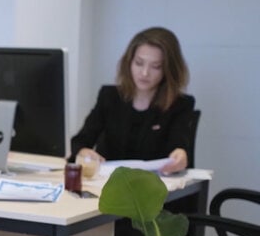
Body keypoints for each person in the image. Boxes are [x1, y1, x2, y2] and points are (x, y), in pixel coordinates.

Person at [70, 26, 196, 175]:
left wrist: (180, 156)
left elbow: (180, 148)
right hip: (108, 183)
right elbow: (80, 141)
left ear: (169, 70)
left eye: (156, 67)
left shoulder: (180, 105)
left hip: (155, 185)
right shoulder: (110, 96)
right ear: (129, 62)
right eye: (139, 63)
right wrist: (83, 152)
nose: (144, 73)